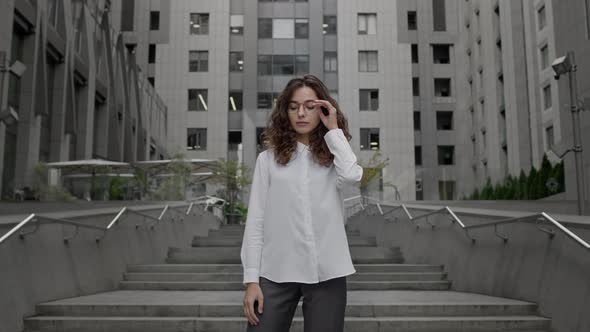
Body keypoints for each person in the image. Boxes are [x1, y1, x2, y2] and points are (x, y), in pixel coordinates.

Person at [240, 74, 363, 332]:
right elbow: (256, 222)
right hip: (276, 272)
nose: (301, 114)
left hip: (327, 272)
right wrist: (252, 280)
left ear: (323, 109)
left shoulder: (335, 157)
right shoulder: (268, 160)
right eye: (294, 107)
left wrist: (334, 130)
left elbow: (352, 176)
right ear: (285, 112)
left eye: (310, 107)